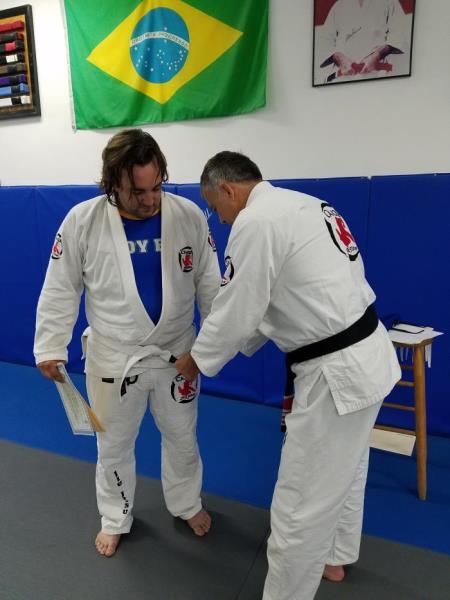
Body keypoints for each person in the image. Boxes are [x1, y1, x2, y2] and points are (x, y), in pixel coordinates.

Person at [175, 151, 401, 599]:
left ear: (228, 190)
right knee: (347, 467)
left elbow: (238, 308)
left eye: (216, 209)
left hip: (335, 374)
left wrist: (196, 360)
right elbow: (278, 296)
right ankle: (334, 557)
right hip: (368, 356)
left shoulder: (256, 223)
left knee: (299, 505)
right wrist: (227, 343)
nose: (220, 220)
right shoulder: (309, 205)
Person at [34, 129, 221, 557]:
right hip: (114, 356)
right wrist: (50, 345)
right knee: (114, 445)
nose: (151, 199)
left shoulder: (188, 215)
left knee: (183, 437)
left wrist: (210, 348)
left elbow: (210, 284)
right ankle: (115, 516)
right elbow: (61, 287)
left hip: (178, 353)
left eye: (157, 187)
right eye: (138, 191)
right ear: (113, 182)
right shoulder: (82, 221)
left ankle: (186, 502)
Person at [315, 0, 412, 84]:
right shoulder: (339, 5)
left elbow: (399, 34)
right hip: (344, 75)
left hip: (378, 73)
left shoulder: (389, 2)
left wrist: (378, 54)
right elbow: (324, 40)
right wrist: (339, 58)